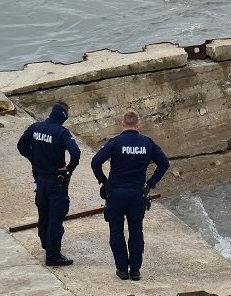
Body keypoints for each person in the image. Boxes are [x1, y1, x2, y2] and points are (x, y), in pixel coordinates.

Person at [91, 109, 170, 281]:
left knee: (116, 231)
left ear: (122, 124)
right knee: (136, 232)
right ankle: (135, 271)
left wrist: (104, 181)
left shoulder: (116, 142)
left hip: (116, 193)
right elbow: (164, 163)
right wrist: (150, 184)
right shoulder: (147, 143)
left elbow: (95, 162)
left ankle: (122, 270)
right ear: (138, 125)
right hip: (136, 194)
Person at [17, 102, 81, 266]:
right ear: (63, 117)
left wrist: (34, 160)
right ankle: (53, 255)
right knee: (55, 218)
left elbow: (21, 145)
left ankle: (46, 244)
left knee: (43, 215)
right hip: (55, 182)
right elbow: (76, 152)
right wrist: (68, 169)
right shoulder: (62, 133)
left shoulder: (35, 127)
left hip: (40, 180)